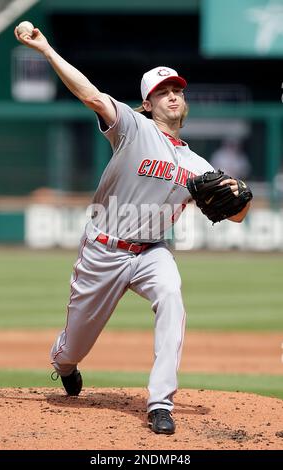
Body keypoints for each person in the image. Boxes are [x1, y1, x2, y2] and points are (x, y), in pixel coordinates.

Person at [15, 25, 250, 435]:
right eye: (163, 91)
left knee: (172, 295)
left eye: (178, 89)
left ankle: (160, 402)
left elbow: (237, 216)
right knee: (74, 347)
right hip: (103, 251)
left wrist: (240, 198)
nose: (173, 95)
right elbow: (88, 93)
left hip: (152, 252)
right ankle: (64, 362)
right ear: (147, 103)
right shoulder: (132, 129)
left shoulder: (198, 164)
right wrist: (46, 48)